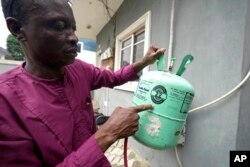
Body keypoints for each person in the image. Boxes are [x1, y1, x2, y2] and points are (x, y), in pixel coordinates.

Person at [0, 0, 166, 166]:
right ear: (17, 29)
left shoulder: (78, 69)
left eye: (73, 28)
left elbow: (114, 78)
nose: (74, 37)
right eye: (58, 26)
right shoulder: (5, 102)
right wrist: (107, 134)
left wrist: (144, 62)